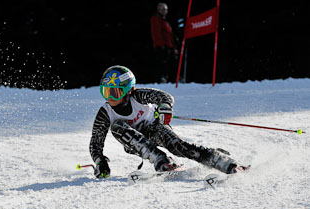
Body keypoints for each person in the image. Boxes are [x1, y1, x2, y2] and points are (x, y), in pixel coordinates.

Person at [89, 65, 248, 179]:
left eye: (114, 92)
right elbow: (95, 143)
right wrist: (100, 162)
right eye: (106, 92)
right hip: (134, 143)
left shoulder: (138, 96)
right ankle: (162, 161)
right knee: (117, 127)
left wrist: (164, 107)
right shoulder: (105, 112)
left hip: (156, 129)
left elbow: (163, 97)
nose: (110, 98)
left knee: (180, 147)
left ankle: (226, 163)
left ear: (128, 90)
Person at [150, 2, 178, 83]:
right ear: (158, 10)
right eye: (162, 9)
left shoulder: (164, 20)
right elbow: (156, 33)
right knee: (162, 64)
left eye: (165, 9)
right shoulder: (156, 19)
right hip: (162, 46)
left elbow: (169, 34)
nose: (164, 11)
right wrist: (161, 45)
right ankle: (162, 79)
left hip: (169, 45)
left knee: (169, 64)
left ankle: (170, 79)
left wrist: (174, 47)